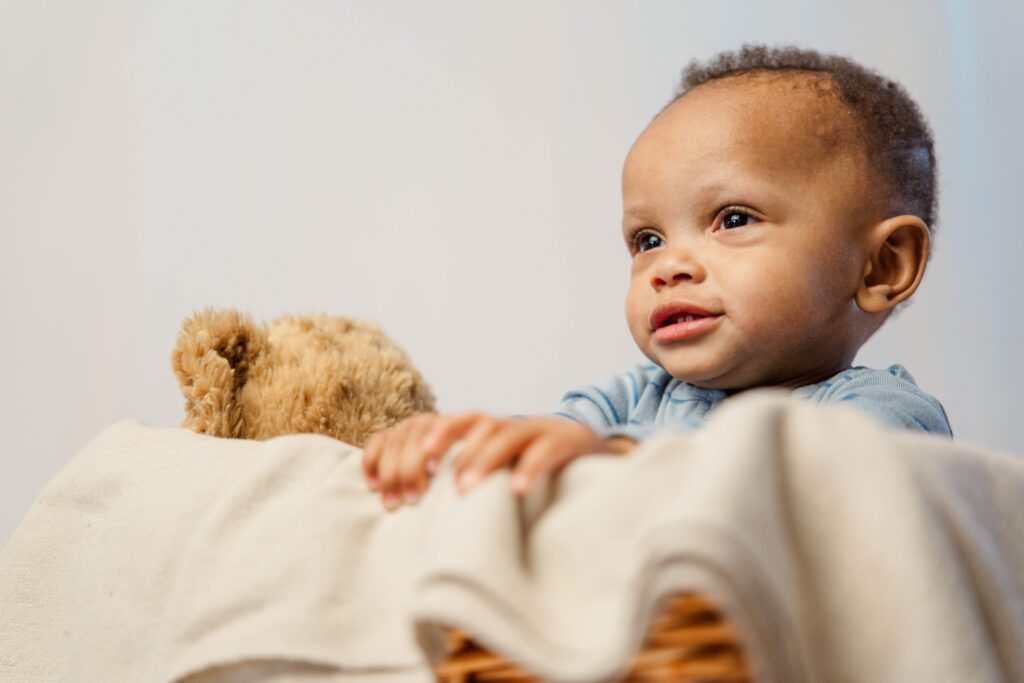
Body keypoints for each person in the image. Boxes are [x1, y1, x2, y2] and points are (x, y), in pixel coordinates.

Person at [362, 44, 952, 511]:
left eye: (733, 219)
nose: (669, 267)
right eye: (648, 240)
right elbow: (544, 438)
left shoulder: (886, 412)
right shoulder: (634, 398)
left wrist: (621, 455)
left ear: (884, 265)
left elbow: (804, 478)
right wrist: (451, 445)